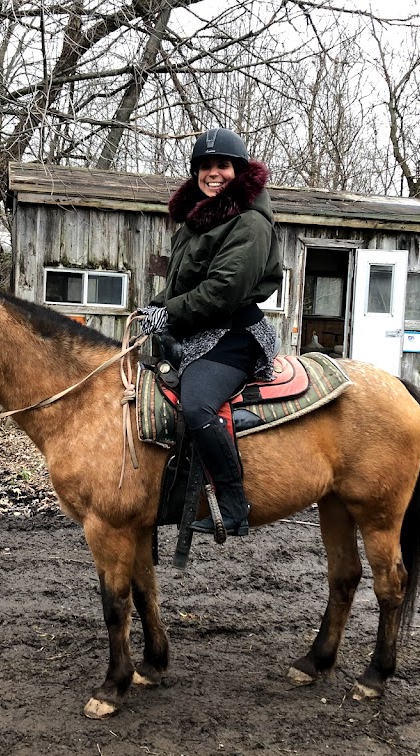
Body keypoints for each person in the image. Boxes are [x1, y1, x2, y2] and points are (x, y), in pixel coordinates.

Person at [136, 128, 282, 537]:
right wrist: (155, 307)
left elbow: (223, 291)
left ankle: (235, 506)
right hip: (195, 327)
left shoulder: (250, 223)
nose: (213, 173)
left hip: (233, 332)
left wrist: (169, 315)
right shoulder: (197, 223)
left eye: (222, 165)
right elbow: (180, 283)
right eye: (205, 166)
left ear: (238, 170)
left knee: (197, 405)